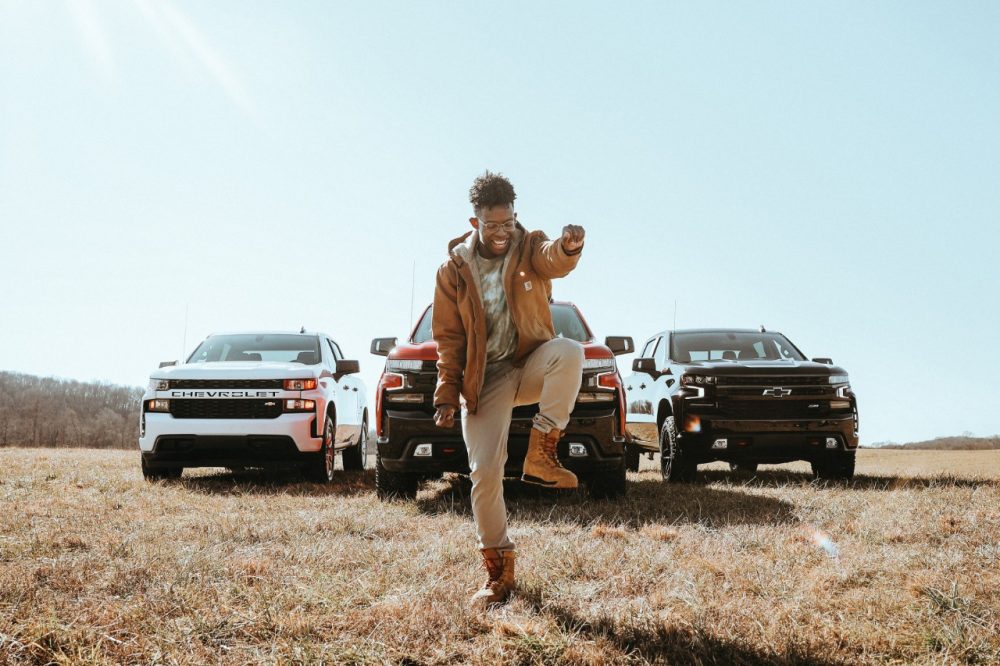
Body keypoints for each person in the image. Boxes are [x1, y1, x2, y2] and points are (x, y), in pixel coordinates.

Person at [432, 170, 586, 608]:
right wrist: (447, 391)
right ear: (474, 221)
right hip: (487, 378)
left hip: (531, 361)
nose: (502, 233)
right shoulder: (454, 269)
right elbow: (449, 336)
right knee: (483, 470)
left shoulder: (527, 244)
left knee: (570, 351)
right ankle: (498, 571)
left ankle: (541, 454)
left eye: (508, 222)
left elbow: (551, 258)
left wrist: (568, 247)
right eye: (492, 225)